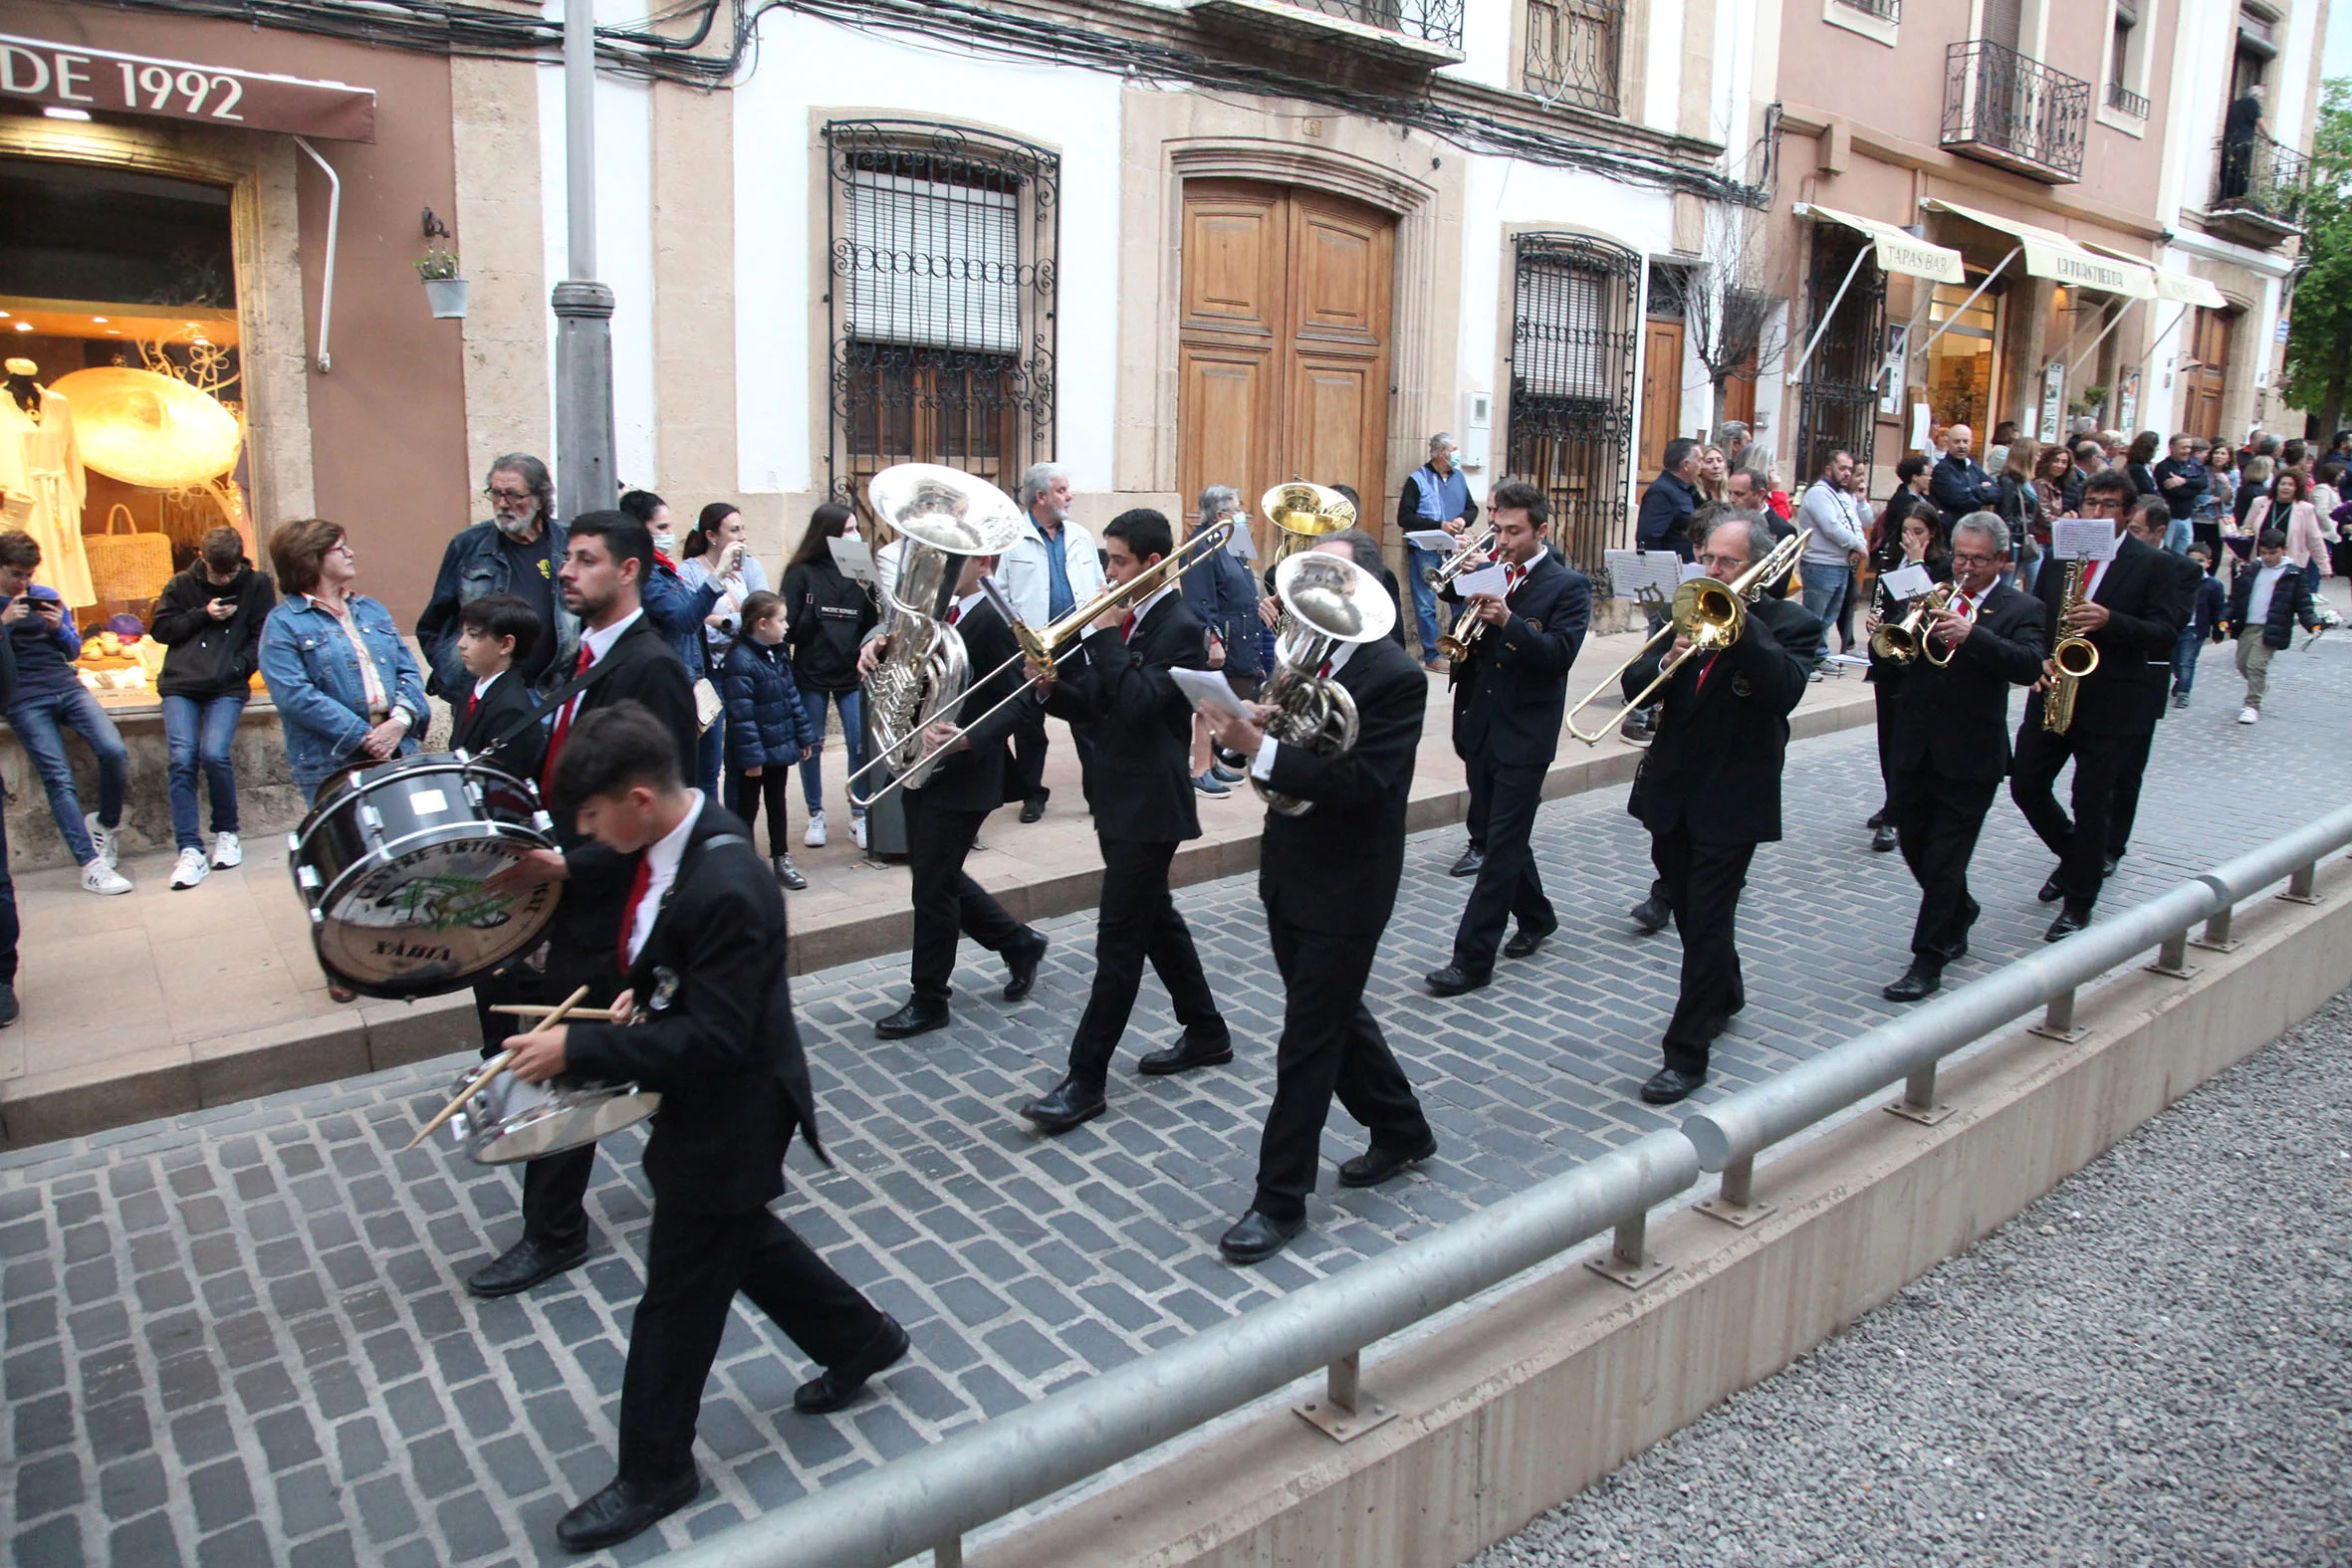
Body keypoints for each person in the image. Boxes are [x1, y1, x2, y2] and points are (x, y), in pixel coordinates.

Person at [503, 702, 907, 1552]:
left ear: (640, 798)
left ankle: (656, 1469)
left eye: (591, 816)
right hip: (715, 1100)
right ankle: (861, 1336)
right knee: (742, 1240)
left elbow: (719, 1038)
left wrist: (581, 1043)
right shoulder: (679, 840)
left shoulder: (727, 880)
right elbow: (676, 968)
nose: (587, 834)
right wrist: (641, 997)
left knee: (677, 1296)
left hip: (735, 1110)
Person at [468, 510, 701, 1301]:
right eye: (566, 559)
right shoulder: (587, 655)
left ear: (629, 570)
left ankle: (555, 1231)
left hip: (613, 902)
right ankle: (715, 1159)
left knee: (564, 1057)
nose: (565, 572)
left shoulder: (652, 667)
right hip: (575, 892)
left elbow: (668, 804)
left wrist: (569, 861)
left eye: (585, 559)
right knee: (613, 1051)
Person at [1198, 535, 1437, 1265]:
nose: (1316, 584)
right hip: (1290, 866)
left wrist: (1262, 747)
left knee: (1306, 1038)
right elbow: (1264, 759)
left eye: (1334, 573)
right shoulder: (1299, 661)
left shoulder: (1398, 676)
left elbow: (1363, 784)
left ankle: (1279, 1199)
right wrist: (1236, 740)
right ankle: (1402, 1128)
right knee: (1331, 1011)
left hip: (1350, 882)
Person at [1019, 509, 1234, 1133]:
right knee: (1155, 920)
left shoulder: (1182, 627)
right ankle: (1206, 1030)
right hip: (1117, 797)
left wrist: (1107, 640)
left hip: (1151, 806)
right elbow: (1096, 704)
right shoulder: (1129, 619)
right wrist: (1048, 687)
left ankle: (1085, 1079)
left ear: (1150, 561)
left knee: (1119, 942)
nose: (1107, 572)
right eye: (1107, 560)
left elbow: (1140, 707)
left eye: (1116, 561)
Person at [1622, 512, 1820, 1105]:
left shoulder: (1793, 624)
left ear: (1759, 566)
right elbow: (1633, 685)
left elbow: (1784, 691)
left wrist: (1741, 626)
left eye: (1727, 562)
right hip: (1672, 792)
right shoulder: (1681, 612)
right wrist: (1665, 660)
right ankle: (1725, 991)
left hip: (1734, 799)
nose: (1712, 570)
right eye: (1708, 558)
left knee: (1707, 922)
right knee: (1689, 912)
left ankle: (1686, 1054)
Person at [865, 550, 1050, 1038]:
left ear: (983, 564)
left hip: (966, 773)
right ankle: (1018, 942)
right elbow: (907, 669)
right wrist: (880, 649)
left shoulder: (995, 623)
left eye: (953, 561)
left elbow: (1022, 705)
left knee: (930, 886)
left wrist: (967, 736)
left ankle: (929, 998)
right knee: (937, 873)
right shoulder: (928, 614)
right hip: (916, 764)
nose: (941, 571)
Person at [2006, 470, 2188, 942]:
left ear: (2128, 514)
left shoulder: (2152, 564)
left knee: (2091, 804)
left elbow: (2166, 631)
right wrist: (2038, 659)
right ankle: (2076, 859)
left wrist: (2112, 620)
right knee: (2025, 785)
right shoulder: (2064, 552)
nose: (2098, 513)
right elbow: (2039, 615)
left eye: (2109, 505)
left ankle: (2079, 902)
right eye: (2091, 503)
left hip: (2113, 701)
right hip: (2055, 688)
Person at [1423, 482, 1589, 996]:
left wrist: (1511, 622)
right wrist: (1458, 575)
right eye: (1498, 529)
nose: (1503, 539)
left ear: (1541, 531)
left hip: (1525, 733)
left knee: (1499, 850)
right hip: (1480, 722)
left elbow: (1559, 655)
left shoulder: (1569, 586)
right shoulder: (1493, 568)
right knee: (1501, 835)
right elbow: (1448, 593)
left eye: (1514, 532)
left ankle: (1471, 959)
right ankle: (1537, 917)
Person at [1877, 516, 2046, 1002]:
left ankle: (1927, 961)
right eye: (1960, 556)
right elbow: (1894, 660)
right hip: (1916, 745)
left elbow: (2030, 663)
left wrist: (1974, 635)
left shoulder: (2022, 607)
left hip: (1972, 755)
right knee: (1914, 845)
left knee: (1946, 860)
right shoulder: (1933, 593)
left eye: (1977, 559)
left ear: (2000, 561)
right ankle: (1961, 909)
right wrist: (1888, 632)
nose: (1966, 567)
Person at [256, 520, 427, 808]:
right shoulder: (282, 623)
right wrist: (365, 737)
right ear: (311, 559)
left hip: (397, 748)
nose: (350, 553)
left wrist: (399, 722)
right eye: (339, 548)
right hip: (333, 760)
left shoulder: (371, 610)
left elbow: (408, 670)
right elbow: (295, 696)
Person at [0, 532, 133, 894]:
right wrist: (4, 623)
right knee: (58, 778)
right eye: (15, 575)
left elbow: (74, 649)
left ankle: (104, 825)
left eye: (29, 575)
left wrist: (59, 628)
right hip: (23, 698)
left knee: (114, 751)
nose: (23, 583)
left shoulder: (45, 597)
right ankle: (90, 864)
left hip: (67, 686)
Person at [149, 526, 275, 889]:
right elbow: (161, 630)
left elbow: (262, 636)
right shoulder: (181, 584)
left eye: (230, 571)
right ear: (202, 559)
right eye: (217, 572)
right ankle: (189, 849)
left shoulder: (256, 584)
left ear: (240, 561)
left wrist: (238, 668)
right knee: (181, 757)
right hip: (181, 684)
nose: (224, 578)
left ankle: (226, 832)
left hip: (228, 684)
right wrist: (204, 614)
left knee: (215, 753)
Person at [1000, 462, 1106, 821]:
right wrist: (1019, 639)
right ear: (1040, 496)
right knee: (1029, 724)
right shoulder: (1010, 537)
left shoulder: (1080, 535)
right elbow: (999, 593)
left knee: (1087, 719)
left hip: (1076, 642)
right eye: (1061, 490)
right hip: (1031, 646)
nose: (1070, 495)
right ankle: (1032, 795)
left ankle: (1097, 794)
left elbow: (1095, 588)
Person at [417, 454, 575, 695]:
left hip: (553, 691)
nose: (502, 503)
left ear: (540, 499)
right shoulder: (468, 545)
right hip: (482, 694)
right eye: (496, 493)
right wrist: (452, 674)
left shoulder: (568, 542)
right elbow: (434, 623)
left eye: (513, 495)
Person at [778, 504, 877, 852]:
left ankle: (859, 814)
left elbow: (871, 620)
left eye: (855, 529)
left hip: (850, 672)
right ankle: (815, 813)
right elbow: (789, 626)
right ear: (829, 534)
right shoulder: (801, 571)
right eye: (847, 530)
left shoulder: (859, 570)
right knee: (812, 745)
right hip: (811, 672)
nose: (854, 536)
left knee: (859, 743)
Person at [625, 490, 731, 800]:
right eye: (661, 528)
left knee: (708, 774)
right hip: (674, 689)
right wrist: (718, 575)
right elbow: (684, 619)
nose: (670, 534)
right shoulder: (647, 575)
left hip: (696, 682)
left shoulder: (664, 569)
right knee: (683, 782)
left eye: (669, 527)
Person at [1862, 504, 1948, 853]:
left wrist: (1915, 564)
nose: (1910, 538)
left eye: (1918, 532)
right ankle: (1891, 800)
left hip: (1917, 664)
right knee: (1887, 739)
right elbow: (1887, 610)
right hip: (1888, 660)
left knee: (1905, 743)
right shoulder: (1889, 562)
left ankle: (1896, 815)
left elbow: (1928, 608)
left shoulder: (1941, 566)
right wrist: (1874, 623)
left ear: (1932, 535)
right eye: (1906, 531)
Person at [720, 590, 818, 890]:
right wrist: (752, 759)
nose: (787, 626)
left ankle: (781, 858)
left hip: (779, 744)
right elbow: (741, 715)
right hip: (753, 753)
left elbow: (791, 697)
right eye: (781, 620)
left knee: (778, 803)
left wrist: (803, 736)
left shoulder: (777, 653)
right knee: (746, 808)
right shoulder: (740, 660)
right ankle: (744, 864)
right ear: (762, 624)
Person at [1183, 486, 1267, 795]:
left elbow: (1244, 580)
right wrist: (1212, 638)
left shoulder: (1234, 538)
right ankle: (1199, 769)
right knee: (1209, 704)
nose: (1242, 513)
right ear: (1220, 515)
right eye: (1236, 509)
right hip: (1221, 635)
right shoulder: (1200, 545)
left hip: (1242, 631)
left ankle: (1212, 762)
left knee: (1228, 698)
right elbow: (1198, 598)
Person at [1396, 435, 1482, 670]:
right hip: (1426, 550)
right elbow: (1404, 517)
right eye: (1454, 449)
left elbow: (1472, 509)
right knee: (1425, 603)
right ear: (1440, 453)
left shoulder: (1459, 478)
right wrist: (1439, 525)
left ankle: (1460, 647)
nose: (1457, 453)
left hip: (1455, 549)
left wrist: (1462, 520)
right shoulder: (1417, 480)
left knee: (1460, 598)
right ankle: (1432, 655)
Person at [2224, 528, 2323, 725]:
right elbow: (2237, 598)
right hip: (2248, 626)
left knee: (2255, 665)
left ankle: (2252, 705)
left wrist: (2313, 624)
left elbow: (2303, 605)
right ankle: (2260, 686)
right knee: (2243, 664)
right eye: (2264, 552)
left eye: (2273, 553)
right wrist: (2225, 617)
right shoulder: (2251, 570)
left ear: (2283, 550)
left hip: (2271, 628)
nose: (2267, 557)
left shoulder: (2294, 575)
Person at [447, 592, 547, 782]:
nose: (461, 644)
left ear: (506, 644)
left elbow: (503, 783)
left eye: (473, 635)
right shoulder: (472, 690)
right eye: (463, 633)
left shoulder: (511, 710)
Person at [1795, 448, 1867, 673]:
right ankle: (1806, 658)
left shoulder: (1845, 495)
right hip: (1820, 564)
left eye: (1849, 469)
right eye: (1842, 468)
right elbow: (1831, 527)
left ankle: (1820, 654)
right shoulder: (1819, 493)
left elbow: (1858, 523)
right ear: (1829, 468)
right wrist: (1856, 545)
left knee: (1829, 616)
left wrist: (1859, 544)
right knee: (1814, 615)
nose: (1847, 473)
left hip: (1840, 564)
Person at [2246, 469, 2331, 600]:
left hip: (2289, 564)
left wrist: (2324, 566)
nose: (2286, 487)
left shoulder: (2306, 509)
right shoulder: (2259, 502)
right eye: (2283, 483)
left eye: (2291, 485)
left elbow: (2315, 540)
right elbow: (2246, 531)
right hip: (2261, 561)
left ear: (2297, 489)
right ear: (2276, 485)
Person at [2171, 545, 2228, 710]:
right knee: (2174, 661)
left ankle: (2183, 692)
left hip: (2195, 629)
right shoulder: (2176, 579)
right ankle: (2180, 680)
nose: (2195, 564)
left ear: (2208, 563)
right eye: (2191, 560)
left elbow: (2218, 610)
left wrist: (2218, 632)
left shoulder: (2213, 585)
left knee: (2186, 662)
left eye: (2200, 561)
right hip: (2176, 626)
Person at [1635, 438, 1705, 560]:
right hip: (1672, 571)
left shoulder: (1687, 490)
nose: (1702, 466)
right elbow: (1650, 538)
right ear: (1686, 465)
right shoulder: (1661, 492)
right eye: (1699, 460)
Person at [1995, 437, 2043, 585]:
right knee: (2006, 584)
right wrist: (2007, 555)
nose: (2039, 457)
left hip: (2025, 538)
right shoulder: (2009, 481)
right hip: (2014, 541)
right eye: (2037, 453)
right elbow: (2005, 517)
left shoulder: (2025, 481)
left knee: (2033, 582)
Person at [1930, 424, 1999, 529]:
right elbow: (1959, 498)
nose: (1962, 446)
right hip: (1951, 530)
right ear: (1948, 442)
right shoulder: (1942, 469)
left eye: (1965, 441)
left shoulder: (1973, 466)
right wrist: (1981, 488)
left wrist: (1969, 489)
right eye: (1957, 442)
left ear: (1971, 442)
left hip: (1974, 527)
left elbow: (1996, 492)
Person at [2151, 433, 2210, 555]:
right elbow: (2176, 492)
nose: (2187, 451)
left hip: (2187, 517)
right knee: (2165, 552)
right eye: (2183, 448)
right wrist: (2194, 489)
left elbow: (2203, 483)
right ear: (2171, 448)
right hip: (2170, 518)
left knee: (2183, 553)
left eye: (2189, 447)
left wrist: (2184, 481)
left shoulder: (2195, 464)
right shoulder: (2163, 467)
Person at [2123, 431, 2162, 499]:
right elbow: (2148, 492)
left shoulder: (2146, 466)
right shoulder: (2137, 469)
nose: (2158, 449)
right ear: (2149, 449)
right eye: (2156, 446)